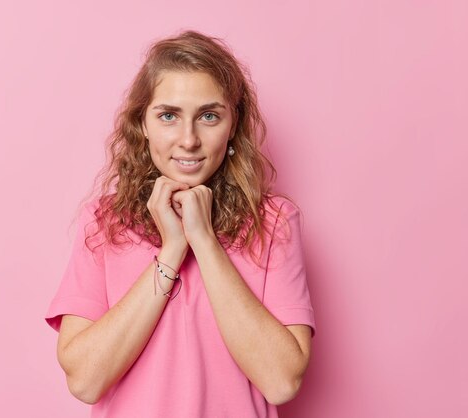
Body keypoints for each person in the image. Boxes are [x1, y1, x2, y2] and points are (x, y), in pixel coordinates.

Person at [44, 29, 316, 418]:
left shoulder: (274, 223)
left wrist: (203, 240)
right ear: (143, 125)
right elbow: (86, 381)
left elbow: (281, 380)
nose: (188, 140)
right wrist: (172, 250)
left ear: (233, 124)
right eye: (168, 115)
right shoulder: (104, 222)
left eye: (208, 116)